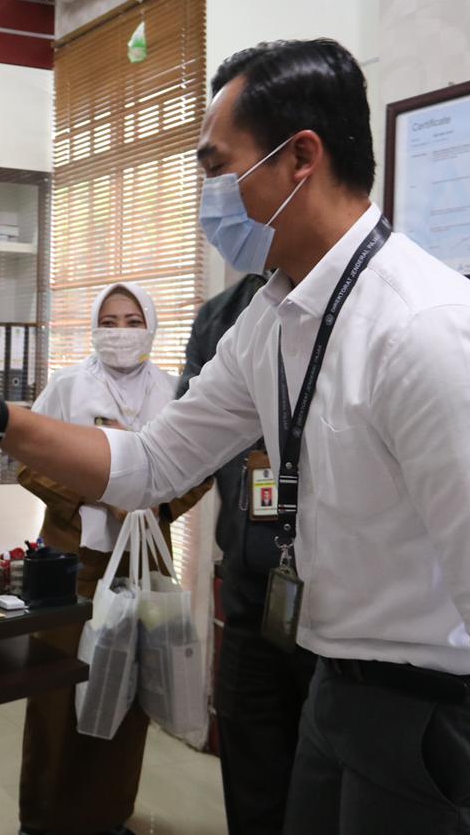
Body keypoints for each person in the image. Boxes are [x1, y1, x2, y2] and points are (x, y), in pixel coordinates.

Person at [0, 39, 470, 835]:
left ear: (300, 157)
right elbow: (151, 463)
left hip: (431, 708)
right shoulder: (272, 322)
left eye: (216, 166)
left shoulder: (426, 330)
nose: (207, 195)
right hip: (335, 686)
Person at [19, 282, 210, 835]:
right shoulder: (68, 386)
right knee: (58, 687)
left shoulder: (174, 393)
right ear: (94, 328)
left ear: (150, 327)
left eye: (132, 321)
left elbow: (198, 470)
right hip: (72, 561)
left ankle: (109, 815)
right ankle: (42, 820)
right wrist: (101, 491)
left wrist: (154, 502)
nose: (121, 332)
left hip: (143, 559)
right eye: (109, 321)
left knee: (128, 690)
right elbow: (29, 461)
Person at [178, 272, 317, 834]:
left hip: (339, 616)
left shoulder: (364, 302)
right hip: (249, 595)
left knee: (324, 791)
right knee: (252, 785)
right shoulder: (223, 317)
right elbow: (181, 444)